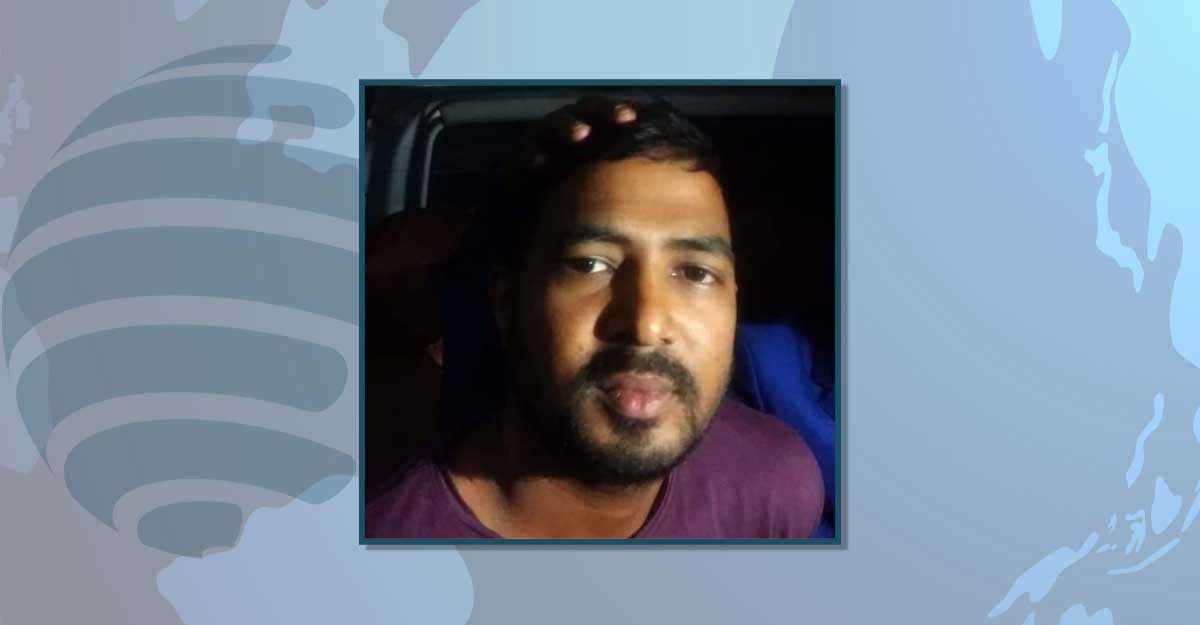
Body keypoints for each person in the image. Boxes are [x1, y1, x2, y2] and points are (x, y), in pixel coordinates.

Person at [367, 95, 824, 539]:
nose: (646, 325)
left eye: (695, 272)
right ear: (507, 301)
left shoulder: (773, 487)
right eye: (589, 265)